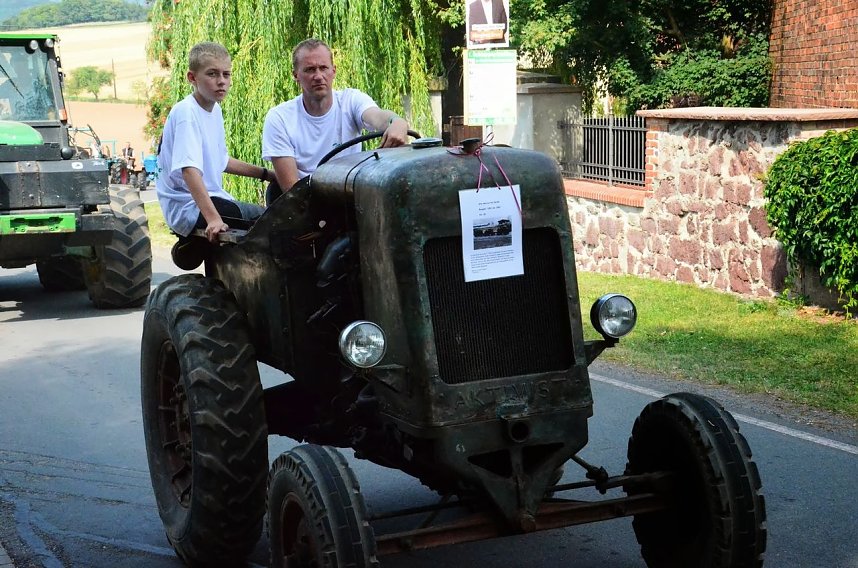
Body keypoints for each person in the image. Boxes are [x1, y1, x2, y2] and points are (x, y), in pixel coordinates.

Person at [156, 41, 273, 243]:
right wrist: (213, 219)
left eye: (226, 74)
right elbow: (189, 170)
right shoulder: (187, 113)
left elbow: (221, 160)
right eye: (212, 74)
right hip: (188, 207)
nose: (221, 81)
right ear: (192, 78)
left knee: (269, 214)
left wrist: (268, 174)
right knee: (269, 218)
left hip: (210, 200)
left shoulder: (214, 109)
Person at [261, 38, 410, 195]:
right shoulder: (279, 118)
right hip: (307, 203)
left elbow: (377, 116)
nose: (318, 76)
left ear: (333, 71)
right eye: (310, 70)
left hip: (352, 196)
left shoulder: (351, 100)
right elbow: (292, 190)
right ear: (296, 75)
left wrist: (396, 122)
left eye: (323, 68)